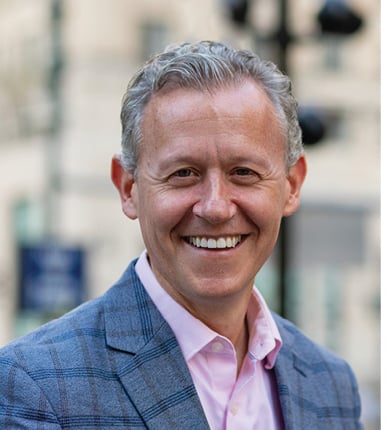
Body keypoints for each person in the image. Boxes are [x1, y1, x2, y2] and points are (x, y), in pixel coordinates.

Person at [0, 41, 361, 429]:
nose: (216, 207)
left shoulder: (332, 385)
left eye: (244, 173)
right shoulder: (35, 385)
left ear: (291, 186)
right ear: (128, 188)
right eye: (183, 174)